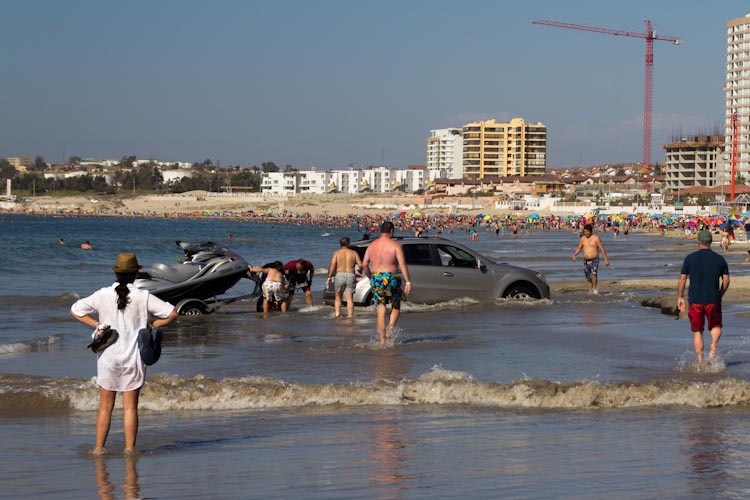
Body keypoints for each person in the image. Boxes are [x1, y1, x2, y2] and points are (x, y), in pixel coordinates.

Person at [70, 252, 178, 455]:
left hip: (108, 358)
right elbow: (173, 313)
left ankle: (98, 449)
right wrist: (154, 324)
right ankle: (129, 450)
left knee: (105, 407)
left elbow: (75, 309)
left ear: (117, 273)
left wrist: (96, 324)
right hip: (133, 357)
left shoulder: (102, 294)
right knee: (130, 408)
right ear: (135, 273)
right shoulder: (143, 296)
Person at [677, 230, 730, 365]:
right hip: (713, 299)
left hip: (695, 300)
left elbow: (682, 278)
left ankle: (700, 360)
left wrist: (680, 296)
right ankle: (713, 346)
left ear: (698, 242)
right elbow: (726, 281)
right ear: (711, 242)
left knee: (697, 330)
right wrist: (720, 294)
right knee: (716, 325)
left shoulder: (690, 258)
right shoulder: (720, 259)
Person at [362, 221, 412, 343]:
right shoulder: (395, 245)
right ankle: (390, 329)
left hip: (376, 277)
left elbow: (364, 264)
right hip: (391, 277)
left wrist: (370, 277)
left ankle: (382, 340)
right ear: (391, 231)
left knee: (380, 307)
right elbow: (402, 263)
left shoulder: (371, 245)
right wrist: (408, 281)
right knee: (396, 305)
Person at [326, 237, 363, 318]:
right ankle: (350, 315)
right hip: (350, 275)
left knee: (338, 297)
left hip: (339, 275)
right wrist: (360, 270)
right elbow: (360, 265)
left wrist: (329, 276)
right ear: (349, 244)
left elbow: (333, 264)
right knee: (349, 298)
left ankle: (337, 314)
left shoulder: (336, 253)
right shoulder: (354, 253)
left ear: (340, 244)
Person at [572, 223, 610, 294]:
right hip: (586, 260)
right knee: (588, 277)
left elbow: (602, 249)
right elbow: (579, 248)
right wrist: (574, 254)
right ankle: (590, 291)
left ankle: (595, 289)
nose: (585, 233)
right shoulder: (583, 239)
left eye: (587, 232)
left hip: (594, 259)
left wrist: (606, 259)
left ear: (590, 231)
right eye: (584, 232)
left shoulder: (596, 238)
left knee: (594, 273)